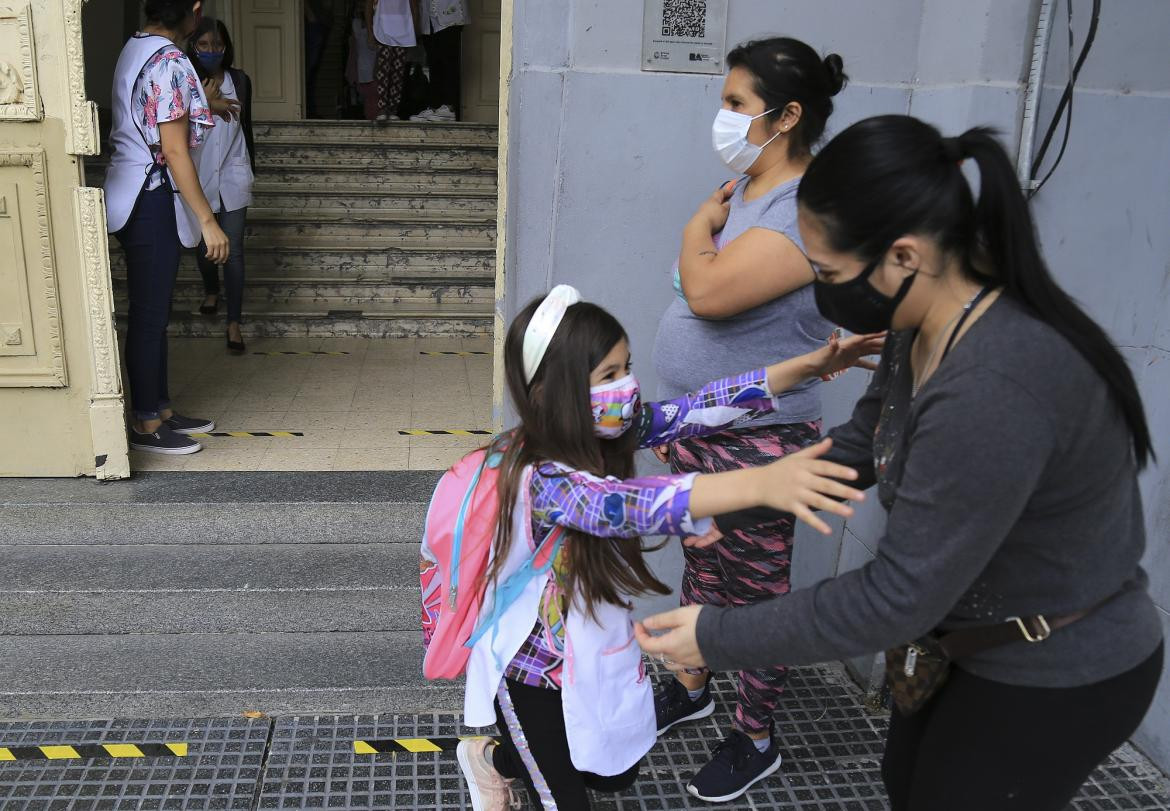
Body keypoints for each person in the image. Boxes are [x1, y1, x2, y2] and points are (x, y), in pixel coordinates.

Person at [636, 115, 1164, 811]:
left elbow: (894, 597)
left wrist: (717, 634)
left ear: (904, 256)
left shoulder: (994, 385)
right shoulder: (920, 323)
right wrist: (721, 506)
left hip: (1056, 665)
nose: (825, 292)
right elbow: (862, 445)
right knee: (907, 784)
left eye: (828, 272)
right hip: (962, 645)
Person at [440, 285, 881, 810]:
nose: (627, 387)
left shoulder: (606, 433)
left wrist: (809, 364)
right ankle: (503, 758)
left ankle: (498, 758)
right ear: (551, 393)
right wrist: (764, 484)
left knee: (611, 777)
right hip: (530, 669)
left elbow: (703, 407)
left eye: (626, 367)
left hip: (589, 652)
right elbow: (635, 502)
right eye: (608, 376)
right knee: (564, 793)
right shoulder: (543, 480)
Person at [648, 37, 846, 803]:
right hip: (701, 427)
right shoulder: (747, 196)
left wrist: (696, 224)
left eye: (736, 104)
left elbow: (707, 293)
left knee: (758, 592)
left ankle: (755, 734)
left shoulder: (802, 213)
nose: (723, 117)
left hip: (761, 437)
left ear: (787, 115)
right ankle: (694, 683)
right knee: (702, 561)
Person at [103, 0, 233, 455]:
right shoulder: (171, 59)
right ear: (194, 10)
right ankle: (145, 424)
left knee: (151, 315)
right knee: (149, 316)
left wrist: (207, 104)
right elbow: (175, 151)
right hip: (150, 195)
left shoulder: (136, 46)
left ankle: (159, 408)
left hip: (130, 189)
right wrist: (208, 220)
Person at [185, 17, 255, 355]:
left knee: (234, 250)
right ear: (192, 47)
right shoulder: (183, 81)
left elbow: (247, 127)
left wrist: (251, 167)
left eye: (217, 45)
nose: (212, 51)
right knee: (204, 247)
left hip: (234, 171)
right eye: (204, 45)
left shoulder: (239, 80)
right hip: (197, 176)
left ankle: (234, 323)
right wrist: (203, 102)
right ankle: (211, 288)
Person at [408, 0, 469, 122]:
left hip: (449, 13)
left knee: (448, 62)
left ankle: (449, 106)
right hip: (429, 16)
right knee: (434, 63)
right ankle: (435, 106)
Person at [365, 0, 415, 121]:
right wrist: (370, 32)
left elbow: (413, 6)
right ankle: (382, 108)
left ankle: (393, 109)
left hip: (402, 31)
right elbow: (368, 6)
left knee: (397, 72)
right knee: (383, 69)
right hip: (382, 28)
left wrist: (415, 30)